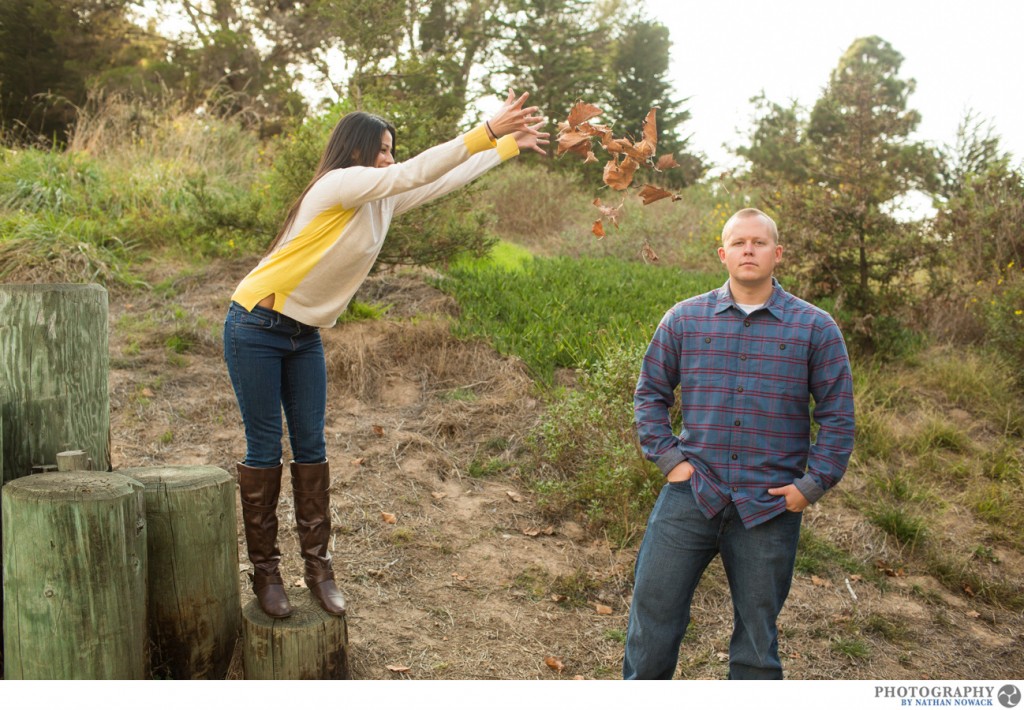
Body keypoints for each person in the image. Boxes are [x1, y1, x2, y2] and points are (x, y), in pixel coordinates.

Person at [223, 91, 548, 618]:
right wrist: (487, 128)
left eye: (392, 151)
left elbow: (437, 178)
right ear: (356, 151)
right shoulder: (336, 185)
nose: (390, 160)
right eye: (382, 150)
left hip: (303, 334)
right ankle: (266, 575)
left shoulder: (380, 198)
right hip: (256, 325)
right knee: (264, 449)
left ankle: (319, 570)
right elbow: (414, 172)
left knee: (312, 447)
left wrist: (504, 147)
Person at [623, 207, 855, 679]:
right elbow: (650, 394)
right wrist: (671, 461)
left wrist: (809, 487)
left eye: (759, 242)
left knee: (756, 640)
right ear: (723, 253)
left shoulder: (816, 327)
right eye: (739, 242)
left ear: (777, 254)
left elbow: (837, 415)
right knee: (653, 621)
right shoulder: (684, 319)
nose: (749, 249)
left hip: (769, 506)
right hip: (691, 494)